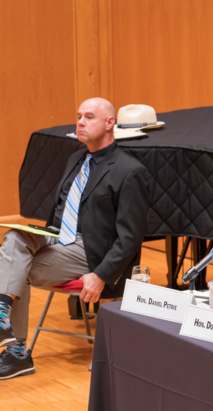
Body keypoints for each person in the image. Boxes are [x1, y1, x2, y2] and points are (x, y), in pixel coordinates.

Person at [0, 97, 152, 380]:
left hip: (90, 250)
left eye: (89, 117)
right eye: (79, 116)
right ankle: (3, 318)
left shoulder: (130, 171)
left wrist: (101, 275)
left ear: (110, 123)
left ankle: (16, 351)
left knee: (11, 267)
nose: (80, 122)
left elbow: (130, 238)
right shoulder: (75, 159)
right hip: (57, 238)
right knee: (14, 238)